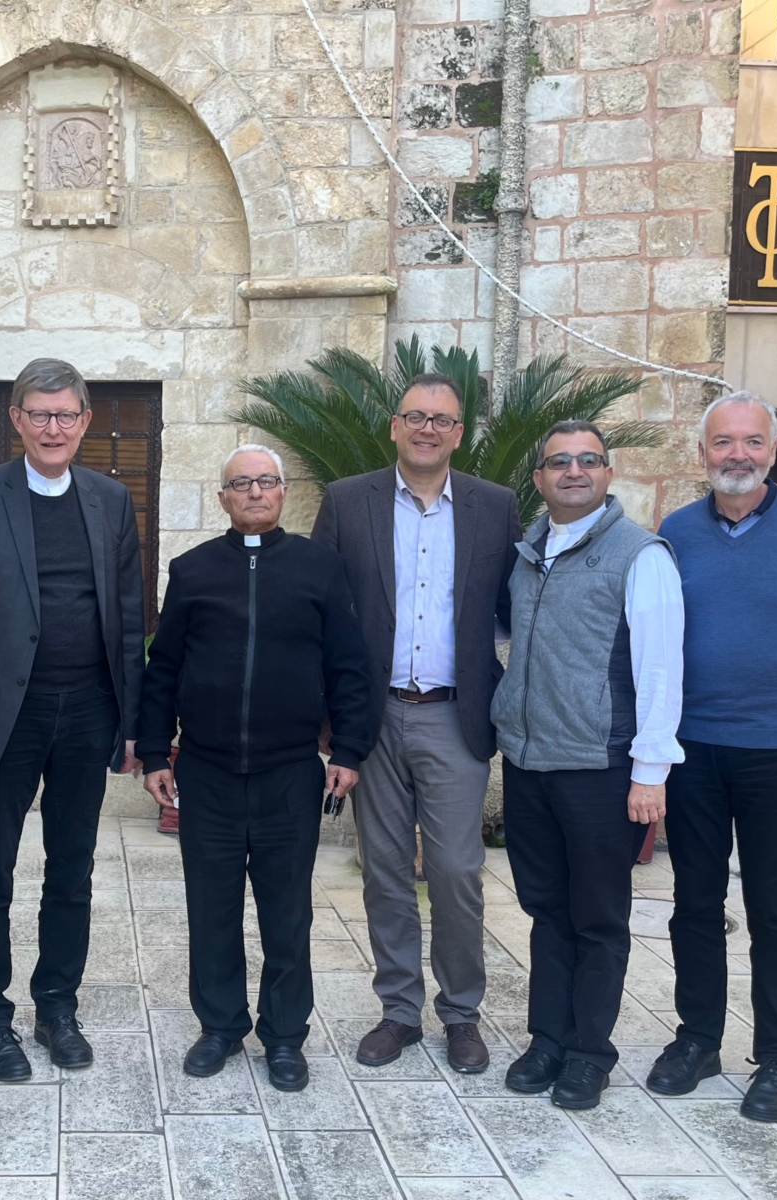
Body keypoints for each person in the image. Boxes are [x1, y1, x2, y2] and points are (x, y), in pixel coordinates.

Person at [0, 357, 145, 1081]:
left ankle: (57, 1006)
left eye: (67, 414)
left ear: (85, 421)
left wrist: (132, 721)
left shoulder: (110, 501)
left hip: (87, 710)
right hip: (3, 716)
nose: (53, 427)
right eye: (39, 414)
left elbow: (126, 617)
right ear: (15, 420)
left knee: (73, 869)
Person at [650, 393, 777, 1122]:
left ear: (771, 450)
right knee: (694, 904)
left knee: (774, 908)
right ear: (701, 451)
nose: (737, 454)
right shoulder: (676, 531)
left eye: (752, 442)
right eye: (723, 442)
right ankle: (698, 1038)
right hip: (694, 750)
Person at [138, 446, 370, 1092]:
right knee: (211, 910)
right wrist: (157, 753)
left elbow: (349, 666)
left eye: (266, 482)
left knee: (287, 914)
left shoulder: (321, 571)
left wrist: (349, 751)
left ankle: (285, 1036)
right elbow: (164, 670)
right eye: (241, 483)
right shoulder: (191, 572)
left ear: (283, 492)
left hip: (289, 773)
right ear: (223, 499)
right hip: (207, 773)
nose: (255, 493)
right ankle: (220, 1026)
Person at [312, 374, 523, 1076]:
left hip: (452, 715)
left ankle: (460, 1012)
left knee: (459, 869)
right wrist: (328, 715)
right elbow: (322, 613)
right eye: (416, 417)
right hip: (372, 717)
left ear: (460, 434)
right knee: (384, 871)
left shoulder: (496, 508)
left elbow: (515, 608)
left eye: (443, 419)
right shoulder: (349, 501)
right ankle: (399, 1010)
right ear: (394, 427)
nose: (428, 428)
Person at [490, 420, 684, 1111]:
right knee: (545, 909)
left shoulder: (641, 555)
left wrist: (650, 772)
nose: (573, 471)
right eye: (558, 462)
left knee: (598, 915)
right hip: (530, 760)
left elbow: (662, 670)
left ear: (608, 473)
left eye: (587, 461)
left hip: (600, 765)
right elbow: (511, 632)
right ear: (539, 480)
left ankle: (588, 1052)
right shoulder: (528, 553)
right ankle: (547, 1039)